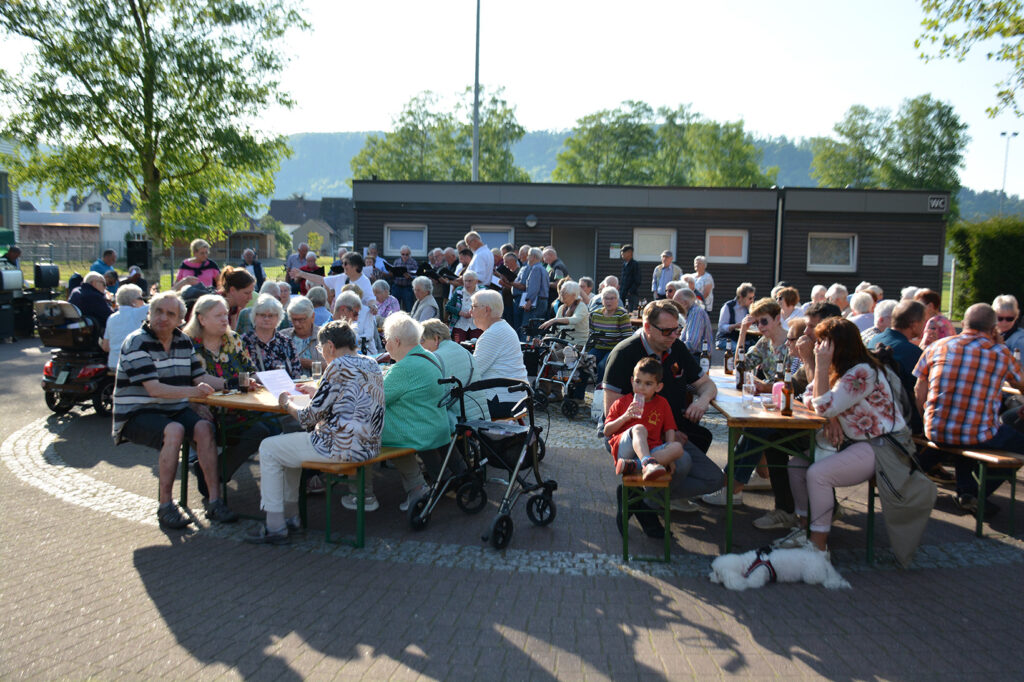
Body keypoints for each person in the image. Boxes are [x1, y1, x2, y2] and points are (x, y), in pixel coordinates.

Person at [777, 317, 912, 556]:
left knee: (818, 475)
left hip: (883, 447)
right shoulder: (838, 368)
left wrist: (821, 376)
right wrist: (832, 414)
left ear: (835, 345)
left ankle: (818, 546)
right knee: (796, 465)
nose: (817, 347)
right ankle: (804, 528)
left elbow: (822, 406)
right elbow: (809, 396)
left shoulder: (863, 372)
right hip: (855, 443)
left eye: (821, 343)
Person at [246, 321, 384, 544]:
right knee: (284, 447)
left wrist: (285, 403)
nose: (322, 355)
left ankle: (275, 525)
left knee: (268, 447)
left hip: (339, 446)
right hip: (368, 446)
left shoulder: (337, 366)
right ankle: (291, 517)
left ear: (329, 346)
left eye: (321, 350)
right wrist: (317, 391)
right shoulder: (371, 363)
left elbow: (307, 417)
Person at [112, 291, 237, 529]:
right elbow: (154, 389)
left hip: (173, 408)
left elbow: (200, 377)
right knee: (175, 430)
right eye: (158, 311)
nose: (163, 318)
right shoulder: (137, 341)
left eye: (170, 314)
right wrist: (193, 394)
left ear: (180, 319)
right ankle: (165, 505)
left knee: (204, 427)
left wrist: (238, 384)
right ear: (148, 313)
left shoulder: (182, 341)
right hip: (137, 412)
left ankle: (214, 501)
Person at [603, 300, 723, 527]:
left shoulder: (676, 348)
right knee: (683, 459)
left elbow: (707, 385)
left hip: (666, 432)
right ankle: (646, 498)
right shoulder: (624, 354)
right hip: (629, 435)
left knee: (715, 479)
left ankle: (644, 499)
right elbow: (611, 417)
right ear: (647, 327)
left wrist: (703, 401)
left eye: (677, 329)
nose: (674, 335)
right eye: (667, 330)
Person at [914, 303, 1024, 517]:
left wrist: (927, 418)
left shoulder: (938, 346)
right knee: (1004, 438)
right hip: (975, 433)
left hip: (935, 428)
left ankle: (962, 491)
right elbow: (1020, 384)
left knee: (965, 428)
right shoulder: (1000, 352)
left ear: (963, 323)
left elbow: (919, 390)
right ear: (993, 328)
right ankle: (975, 493)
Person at [702, 297, 799, 531]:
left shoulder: (792, 345)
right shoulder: (765, 343)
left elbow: (793, 383)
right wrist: (744, 333)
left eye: (764, 322)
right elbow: (740, 366)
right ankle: (747, 478)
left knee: (754, 428)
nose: (761, 328)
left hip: (790, 409)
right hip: (770, 405)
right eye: (757, 323)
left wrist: (764, 386)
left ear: (778, 318)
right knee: (746, 425)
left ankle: (732, 485)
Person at [184, 293, 280, 496]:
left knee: (271, 427)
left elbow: (249, 371)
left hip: (239, 408)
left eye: (226, 315)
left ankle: (215, 472)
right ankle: (214, 474)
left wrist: (268, 381)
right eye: (218, 315)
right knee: (263, 428)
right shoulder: (188, 344)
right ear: (201, 318)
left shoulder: (233, 340)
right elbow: (197, 379)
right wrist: (232, 384)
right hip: (203, 410)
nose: (225, 320)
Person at [367, 312, 450, 512]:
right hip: (435, 425)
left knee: (363, 429)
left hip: (417, 430)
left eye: (386, 341)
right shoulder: (430, 357)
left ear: (395, 341)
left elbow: (374, 401)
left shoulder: (403, 368)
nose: (385, 345)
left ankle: (361, 493)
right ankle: (416, 486)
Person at [605, 357, 685, 481]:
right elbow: (607, 431)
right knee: (639, 428)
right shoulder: (622, 402)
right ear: (632, 381)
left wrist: (670, 458)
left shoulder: (662, 403)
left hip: (653, 449)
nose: (641, 387)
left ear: (658, 387)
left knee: (677, 447)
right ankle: (647, 464)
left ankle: (634, 465)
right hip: (625, 449)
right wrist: (625, 416)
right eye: (638, 381)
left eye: (648, 384)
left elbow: (669, 429)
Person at [420, 319, 488, 429]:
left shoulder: (436, 357)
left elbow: (433, 398)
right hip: (480, 417)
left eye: (422, 341)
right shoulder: (464, 351)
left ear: (436, 338)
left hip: (458, 421)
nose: (420, 346)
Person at [471, 290, 529, 418]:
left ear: (487, 310)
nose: (470, 312)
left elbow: (474, 372)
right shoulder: (503, 327)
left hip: (505, 399)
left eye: (474, 307)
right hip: (516, 395)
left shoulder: (492, 334)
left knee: (454, 406)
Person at [242, 294, 301, 377]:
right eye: (262, 315)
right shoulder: (244, 341)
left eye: (271, 315)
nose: (266, 319)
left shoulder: (286, 342)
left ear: (278, 318)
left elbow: (296, 372)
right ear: (255, 316)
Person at [101, 284, 148, 370]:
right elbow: (160, 303)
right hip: (131, 364)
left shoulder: (111, 318)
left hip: (113, 363)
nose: (143, 301)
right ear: (134, 301)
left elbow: (105, 347)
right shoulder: (138, 313)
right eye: (140, 298)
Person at [589, 287, 633, 378]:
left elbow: (627, 337)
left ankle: (600, 389)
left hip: (615, 348)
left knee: (602, 365)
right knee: (584, 363)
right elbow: (591, 334)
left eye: (612, 298)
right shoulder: (595, 314)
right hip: (599, 347)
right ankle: (579, 391)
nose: (609, 301)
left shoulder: (622, 314)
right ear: (602, 300)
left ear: (617, 300)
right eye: (606, 298)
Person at [538, 280, 589, 346]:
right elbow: (555, 329)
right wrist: (543, 340)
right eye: (562, 291)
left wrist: (554, 320)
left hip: (577, 345)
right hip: (562, 343)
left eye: (565, 292)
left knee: (555, 355)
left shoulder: (581, 306)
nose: (561, 293)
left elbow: (575, 319)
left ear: (573, 295)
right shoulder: (562, 308)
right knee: (545, 353)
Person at [279, 296, 322, 374]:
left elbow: (334, 365)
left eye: (301, 319)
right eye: (294, 319)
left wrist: (309, 364)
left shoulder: (324, 336)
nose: (297, 324)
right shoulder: (283, 336)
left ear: (312, 317)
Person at [513, 247, 549, 338]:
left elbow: (534, 287)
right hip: (543, 301)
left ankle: (527, 348)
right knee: (537, 328)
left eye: (528, 256)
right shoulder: (543, 268)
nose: (527, 258)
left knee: (528, 328)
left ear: (533, 257)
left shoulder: (535, 269)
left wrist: (529, 301)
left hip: (536, 302)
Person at [716, 282, 755, 350]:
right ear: (741, 297)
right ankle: (737, 360)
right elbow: (721, 327)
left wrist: (752, 312)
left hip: (744, 339)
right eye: (750, 298)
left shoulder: (749, 308)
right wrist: (734, 326)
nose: (752, 301)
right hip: (726, 338)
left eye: (753, 298)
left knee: (757, 349)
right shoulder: (728, 306)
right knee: (738, 349)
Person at [674, 288, 712, 355]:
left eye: (675, 302)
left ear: (685, 303)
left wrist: (670, 346)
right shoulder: (689, 313)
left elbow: (692, 344)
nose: (673, 306)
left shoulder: (696, 312)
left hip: (698, 357)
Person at [447, 270, 481, 342]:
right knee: (459, 347)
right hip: (460, 325)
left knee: (476, 346)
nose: (467, 284)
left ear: (476, 281)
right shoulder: (459, 291)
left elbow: (487, 307)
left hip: (477, 325)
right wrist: (460, 312)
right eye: (465, 281)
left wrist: (473, 312)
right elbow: (448, 306)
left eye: (470, 281)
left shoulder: (482, 291)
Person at [390, 244, 418, 311]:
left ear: (410, 254)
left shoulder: (413, 262)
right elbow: (393, 274)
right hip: (397, 286)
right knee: (394, 307)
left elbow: (417, 276)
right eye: (403, 254)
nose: (405, 256)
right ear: (400, 254)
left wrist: (410, 277)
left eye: (407, 254)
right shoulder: (396, 262)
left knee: (409, 307)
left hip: (407, 287)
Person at [619, 245, 640, 313]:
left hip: (631, 294)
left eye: (623, 253)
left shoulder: (635, 264)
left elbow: (638, 280)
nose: (622, 255)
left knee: (631, 311)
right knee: (622, 310)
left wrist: (630, 291)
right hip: (623, 292)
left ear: (629, 253)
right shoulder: (624, 264)